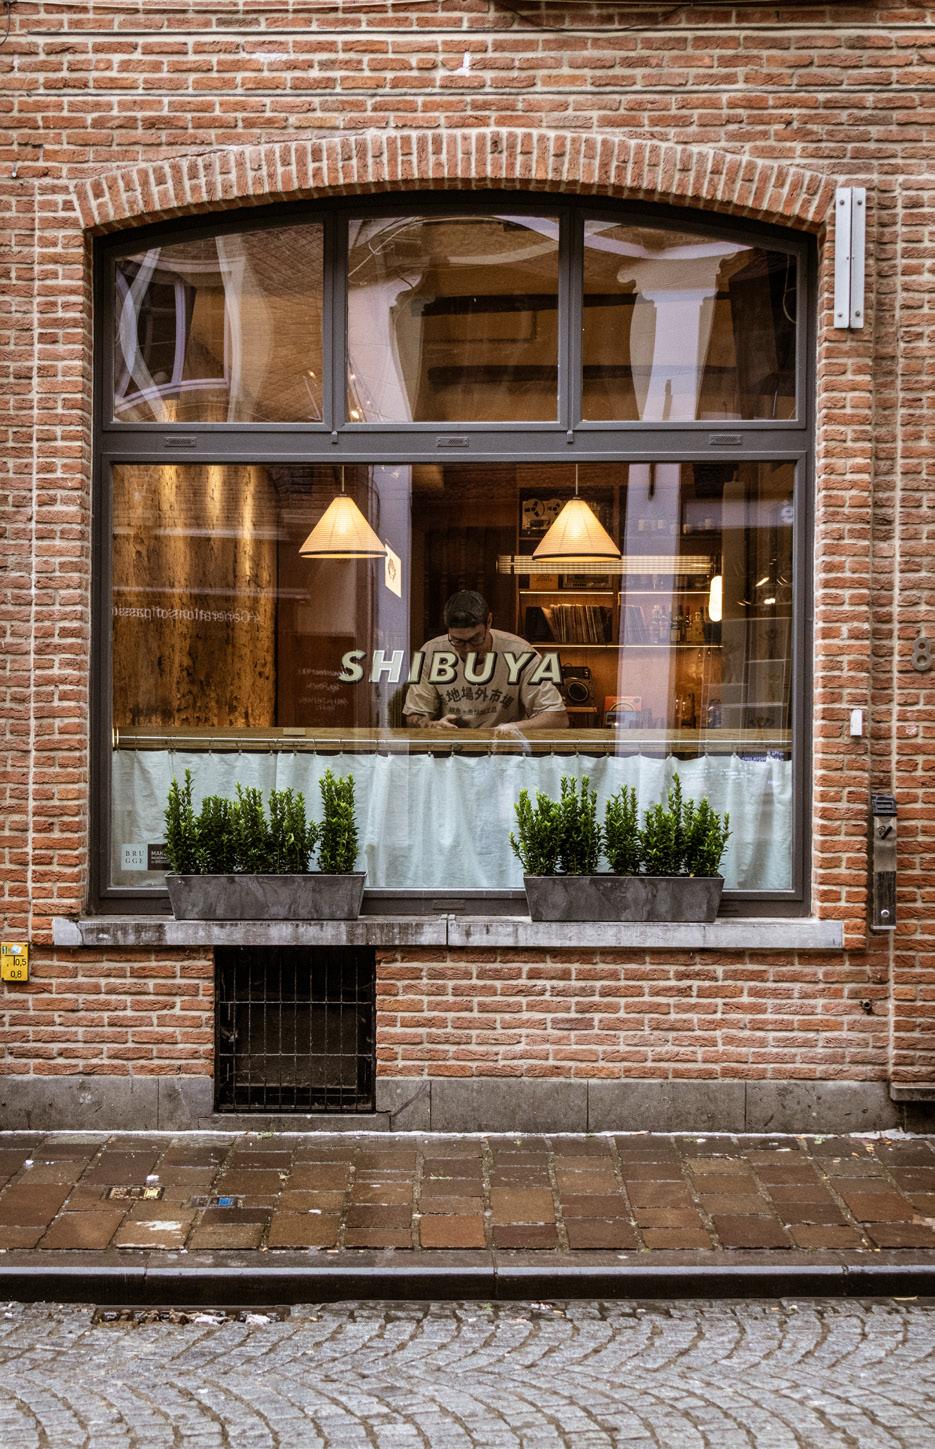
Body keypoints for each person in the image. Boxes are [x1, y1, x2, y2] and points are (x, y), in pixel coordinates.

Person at [403, 590, 568, 735]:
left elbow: (557, 718)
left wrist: (512, 729)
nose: (468, 649)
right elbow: (414, 716)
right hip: (452, 749)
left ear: (489, 622)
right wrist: (432, 726)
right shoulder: (432, 652)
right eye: (458, 641)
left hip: (506, 751)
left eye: (475, 639)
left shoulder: (521, 653)